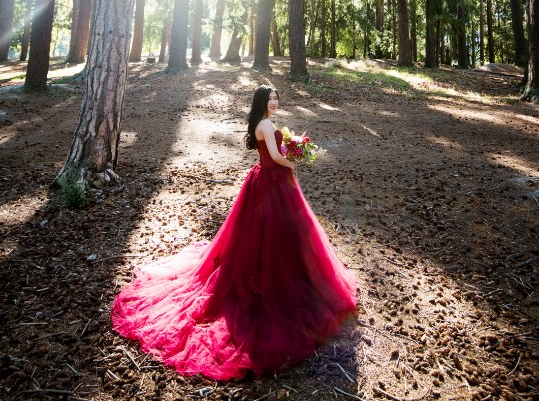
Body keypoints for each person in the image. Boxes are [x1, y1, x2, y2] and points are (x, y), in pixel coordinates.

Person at [111, 85, 357, 380]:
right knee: (269, 232)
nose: (275, 102)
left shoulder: (263, 122)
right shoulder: (265, 124)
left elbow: (274, 150)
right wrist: (293, 159)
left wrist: (292, 147)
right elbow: (277, 158)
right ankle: (272, 280)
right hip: (272, 181)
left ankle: (290, 272)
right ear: (260, 103)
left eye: (276, 98)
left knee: (277, 232)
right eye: (270, 99)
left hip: (269, 180)